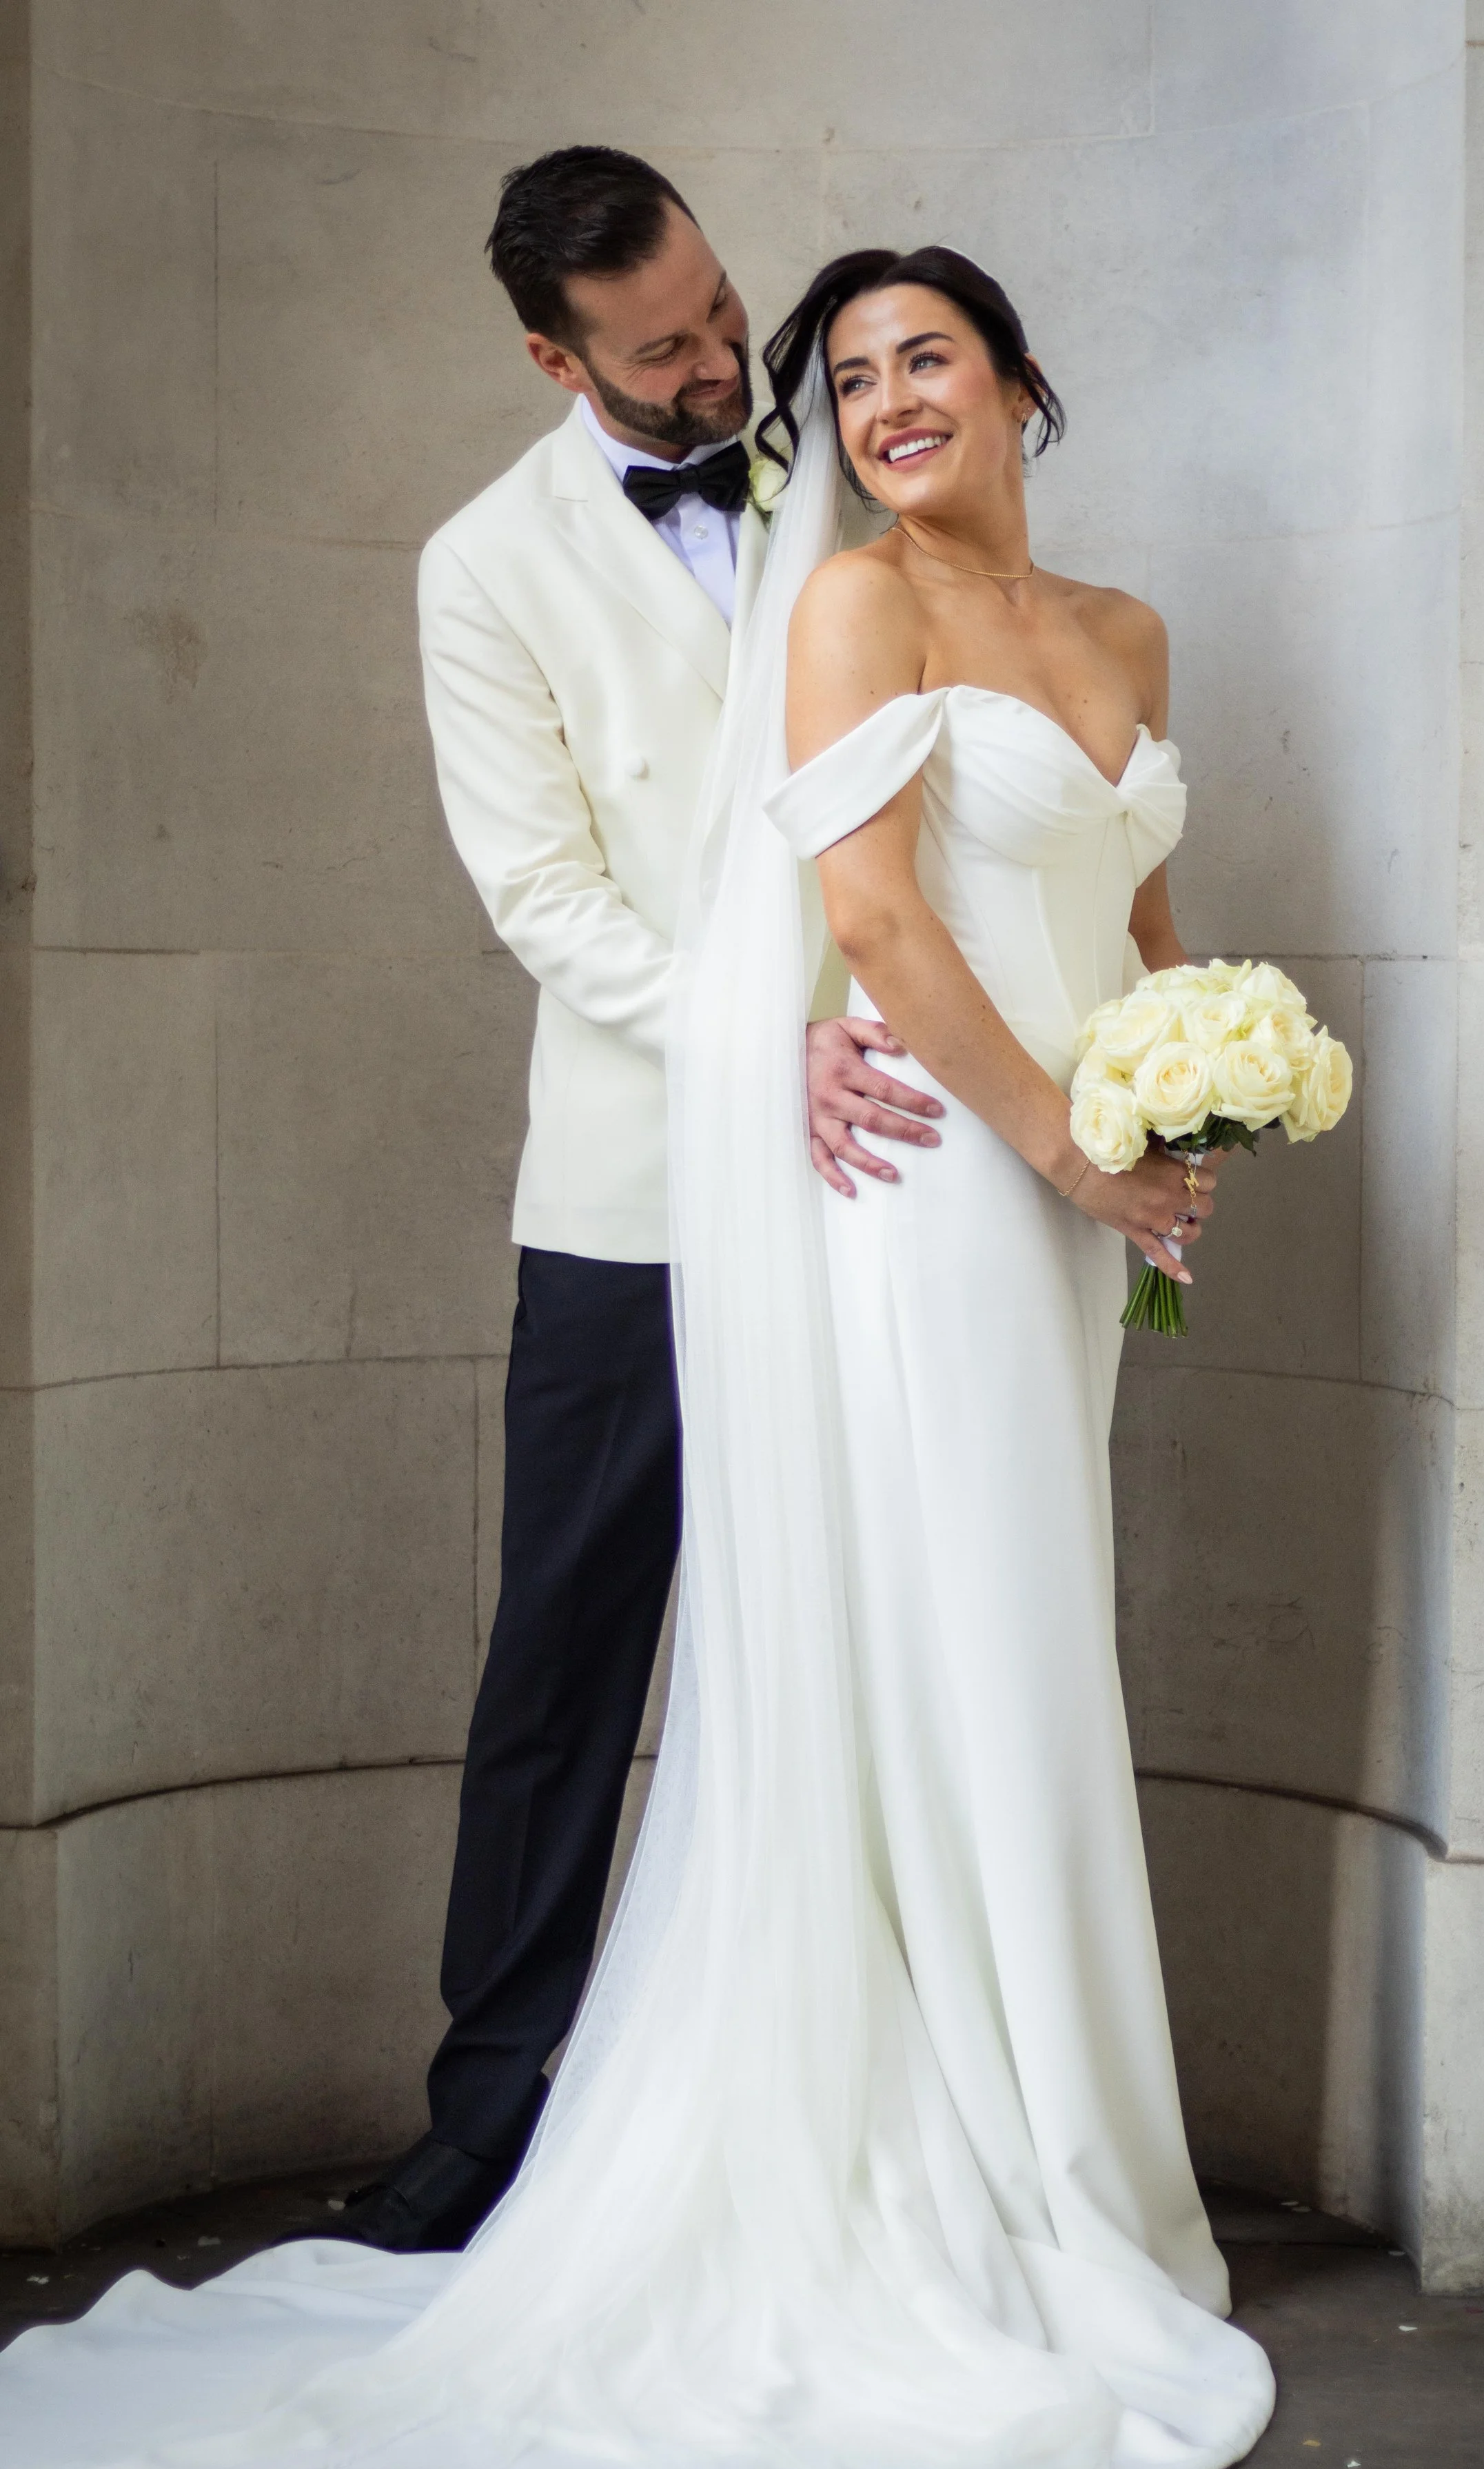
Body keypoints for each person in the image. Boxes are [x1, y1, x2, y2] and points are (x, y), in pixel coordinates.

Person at [0, 243, 1274, 2469]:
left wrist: (1202, 1078)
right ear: (559, 351)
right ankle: (945, 2158)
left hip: (1069, 1203)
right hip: (931, 1174)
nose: (874, 396)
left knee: (1018, 1636)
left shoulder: (1126, 632)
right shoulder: (828, 605)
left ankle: (1041, 2127)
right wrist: (1067, 1139)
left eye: (926, 359)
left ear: (1017, 380)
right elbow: (873, 927)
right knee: (894, 1640)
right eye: (847, 367)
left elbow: (1141, 899)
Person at [336, 148, 945, 2257]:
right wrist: (748, 1044)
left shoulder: (835, 461)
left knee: (869, 1627)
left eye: (714, 310)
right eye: (663, 346)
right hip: (635, 1193)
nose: (714, 361)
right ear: (550, 354)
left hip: (885, 1155)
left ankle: (876, 2102)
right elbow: (543, 899)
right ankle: (490, 2109)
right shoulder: (479, 563)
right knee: (568, 1655)